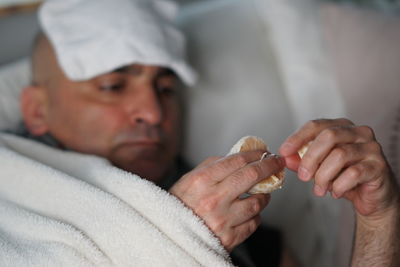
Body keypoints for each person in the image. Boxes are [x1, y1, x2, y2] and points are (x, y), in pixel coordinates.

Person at [0, 0, 398, 267]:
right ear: (37, 110)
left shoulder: (244, 228)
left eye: (166, 89)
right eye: (112, 87)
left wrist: (378, 219)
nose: (154, 112)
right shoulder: (14, 199)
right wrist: (173, 233)